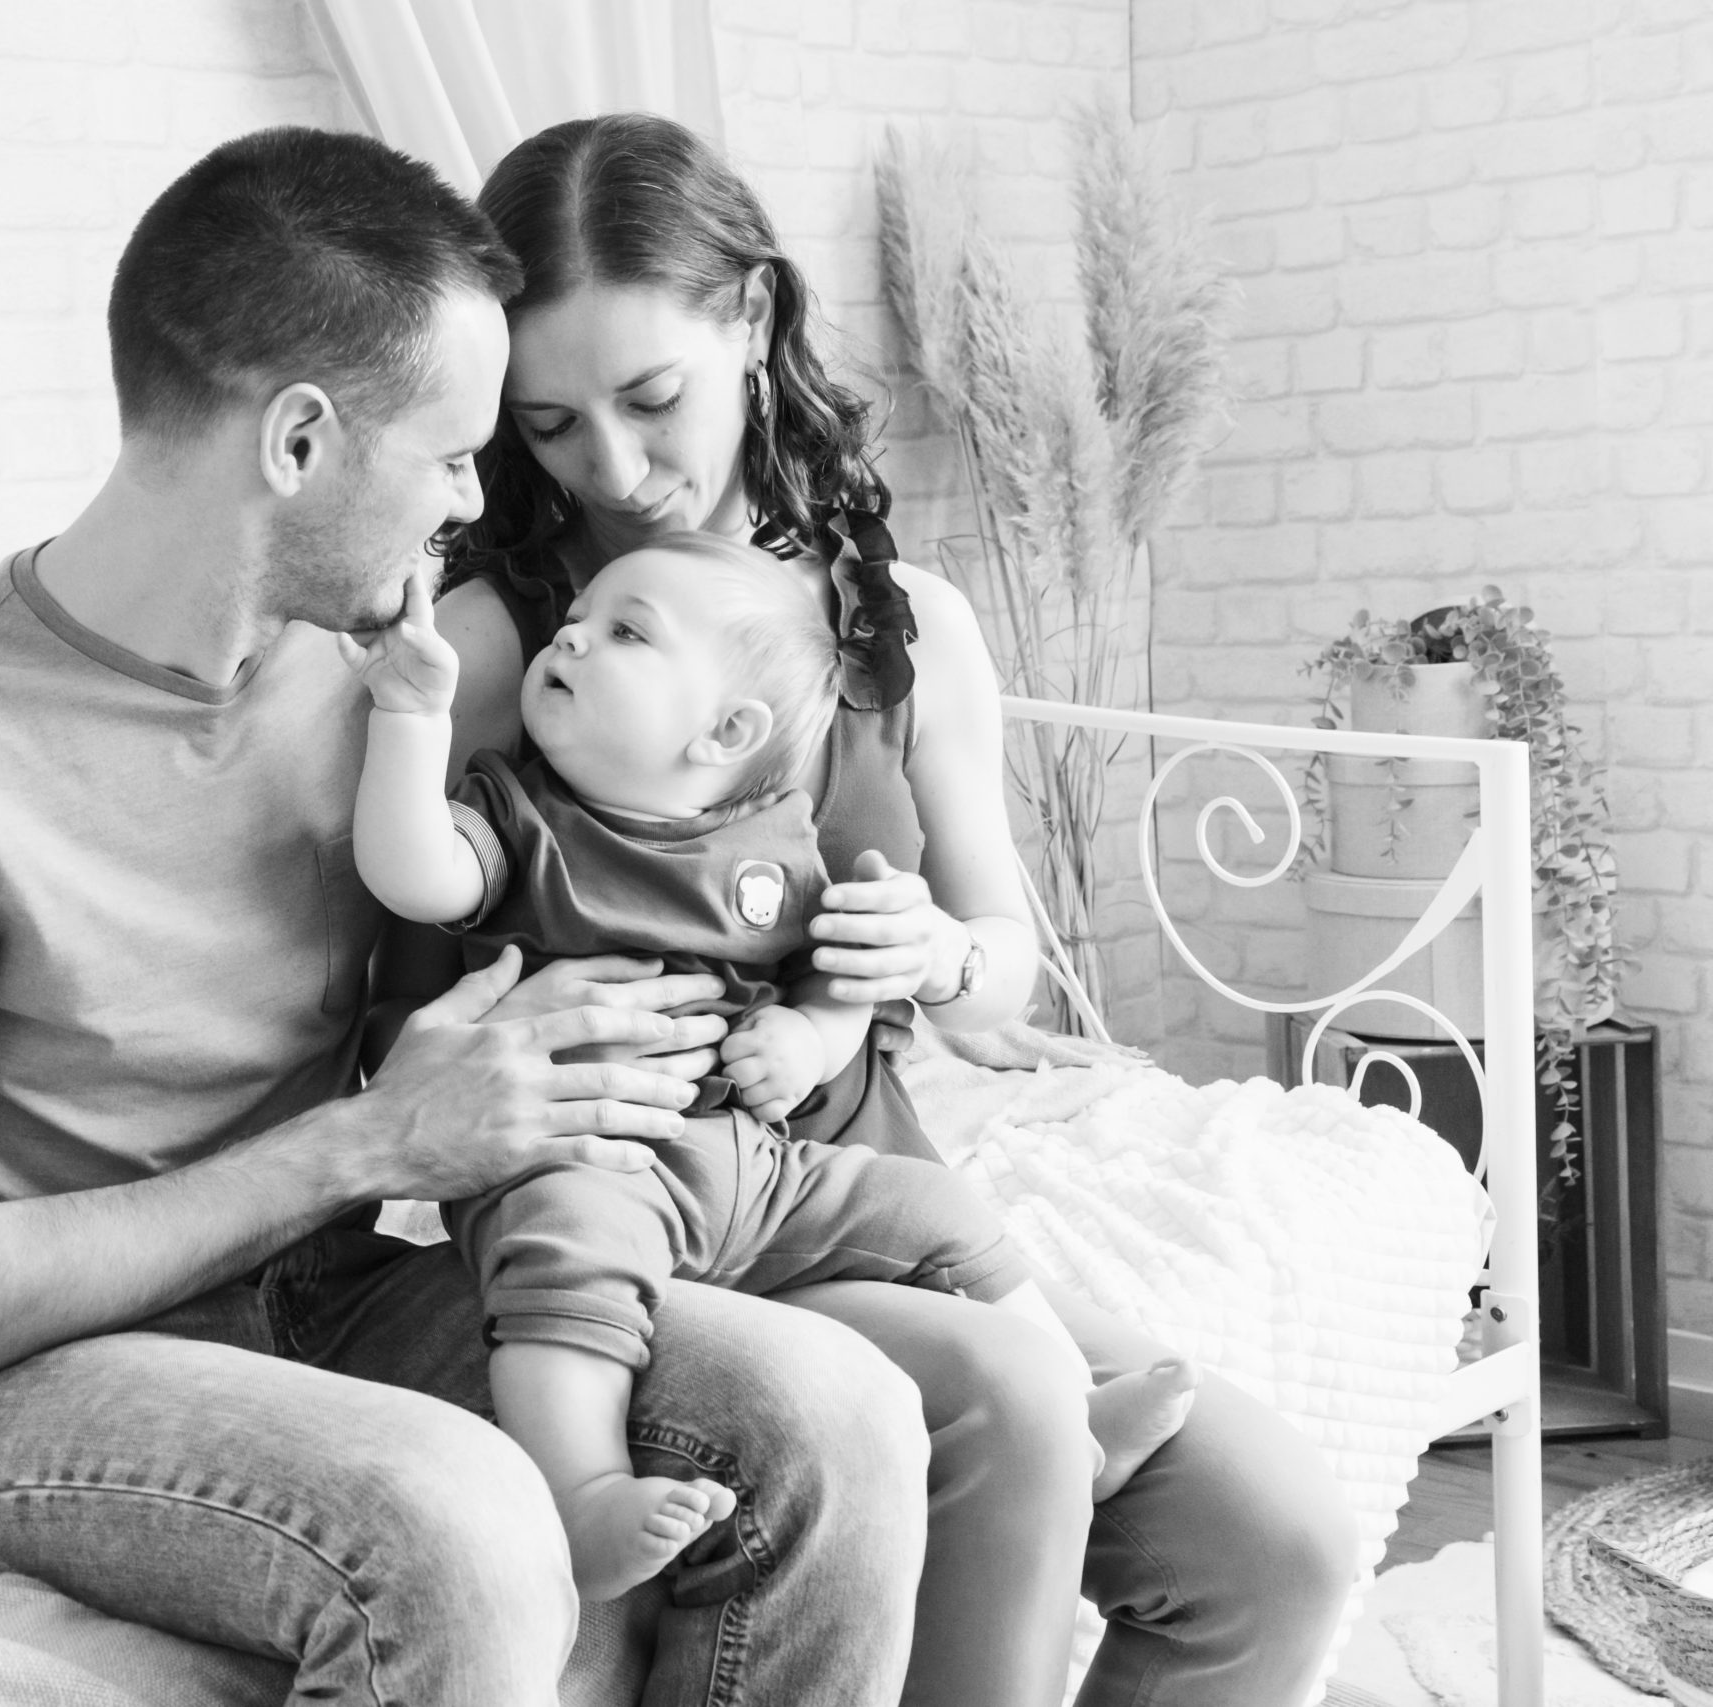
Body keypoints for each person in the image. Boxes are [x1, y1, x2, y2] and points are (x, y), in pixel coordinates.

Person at [0, 126, 932, 1707]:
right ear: (298, 440)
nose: (471, 507)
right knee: (466, 1527)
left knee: (833, 1410)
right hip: (18, 1380)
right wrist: (373, 1141)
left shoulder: (389, 688)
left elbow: (621, 856)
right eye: (450, 458)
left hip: (337, 1289)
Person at [410, 112, 1360, 1707]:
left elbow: (1003, 982)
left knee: (1281, 1549)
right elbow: (365, 978)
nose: (619, 473)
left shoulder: (900, 627)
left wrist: (932, 952)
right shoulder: (505, 647)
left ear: (757, 322)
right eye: (556, 423)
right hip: (645, 1207)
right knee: (1005, 1385)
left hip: (866, 1172)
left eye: (654, 402)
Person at [347, 530, 1198, 1601]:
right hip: (586, 1157)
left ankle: (1077, 1418)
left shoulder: (770, 839)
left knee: (930, 1207)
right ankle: (582, 1489)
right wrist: (409, 715)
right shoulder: (518, 821)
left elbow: (839, 975)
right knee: (562, 1259)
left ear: (726, 732)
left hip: (758, 1164)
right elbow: (414, 874)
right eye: (576, 620)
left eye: (624, 633)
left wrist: (806, 1036)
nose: (570, 635)